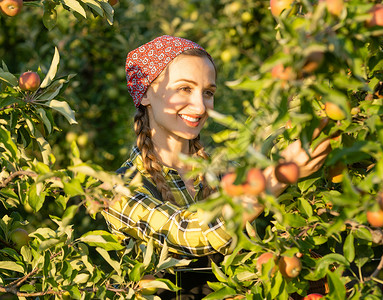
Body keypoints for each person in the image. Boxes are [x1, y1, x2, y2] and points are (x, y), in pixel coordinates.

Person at [102, 35, 331, 299]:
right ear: (146, 93)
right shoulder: (118, 190)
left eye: (208, 92)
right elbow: (192, 232)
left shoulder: (227, 173)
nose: (200, 106)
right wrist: (280, 174)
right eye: (184, 89)